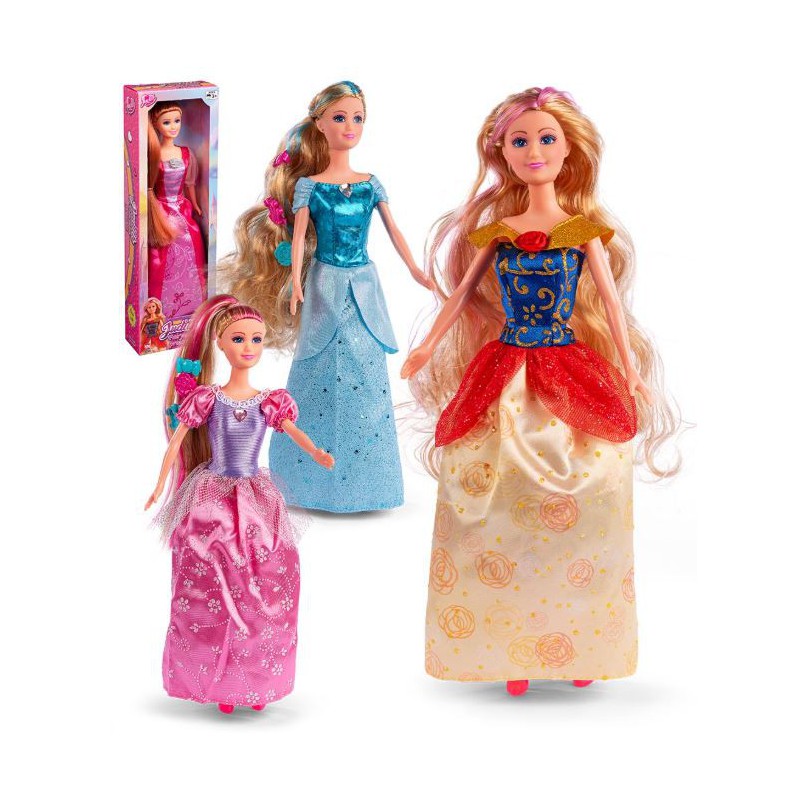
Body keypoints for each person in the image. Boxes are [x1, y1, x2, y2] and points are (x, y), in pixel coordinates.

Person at [402, 87, 678, 695]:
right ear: (501, 152)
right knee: (493, 490)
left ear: (568, 149)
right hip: (504, 369)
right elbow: (460, 295)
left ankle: (583, 643)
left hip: (567, 367)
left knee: (589, 493)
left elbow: (612, 304)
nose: (534, 151)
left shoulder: (582, 230)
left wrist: (630, 369)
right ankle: (508, 650)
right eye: (519, 140)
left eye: (546, 139)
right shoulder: (499, 232)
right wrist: (426, 346)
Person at [220, 80, 433, 512]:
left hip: (364, 283)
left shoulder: (371, 184)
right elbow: (299, 237)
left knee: (368, 371)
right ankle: (303, 481)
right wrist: (297, 281)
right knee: (315, 365)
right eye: (339, 117)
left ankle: (369, 484)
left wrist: (413, 267)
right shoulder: (310, 187)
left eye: (357, 118)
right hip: (324, 282)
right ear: (319, 125)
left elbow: (394, 230)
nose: (350, 126)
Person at [146, 295, 334, 713]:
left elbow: (292, 431)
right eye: (238, 338)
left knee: (266, 578)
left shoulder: (269, 400)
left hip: (256, 499)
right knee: (210, 577)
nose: (248, 347)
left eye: (256, 339)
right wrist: (160, 484)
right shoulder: (207, 399)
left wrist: (316, 453)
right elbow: (177, 441)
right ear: (220, 343)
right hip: (212, 498)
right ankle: (220, 684)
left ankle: (257, 679)